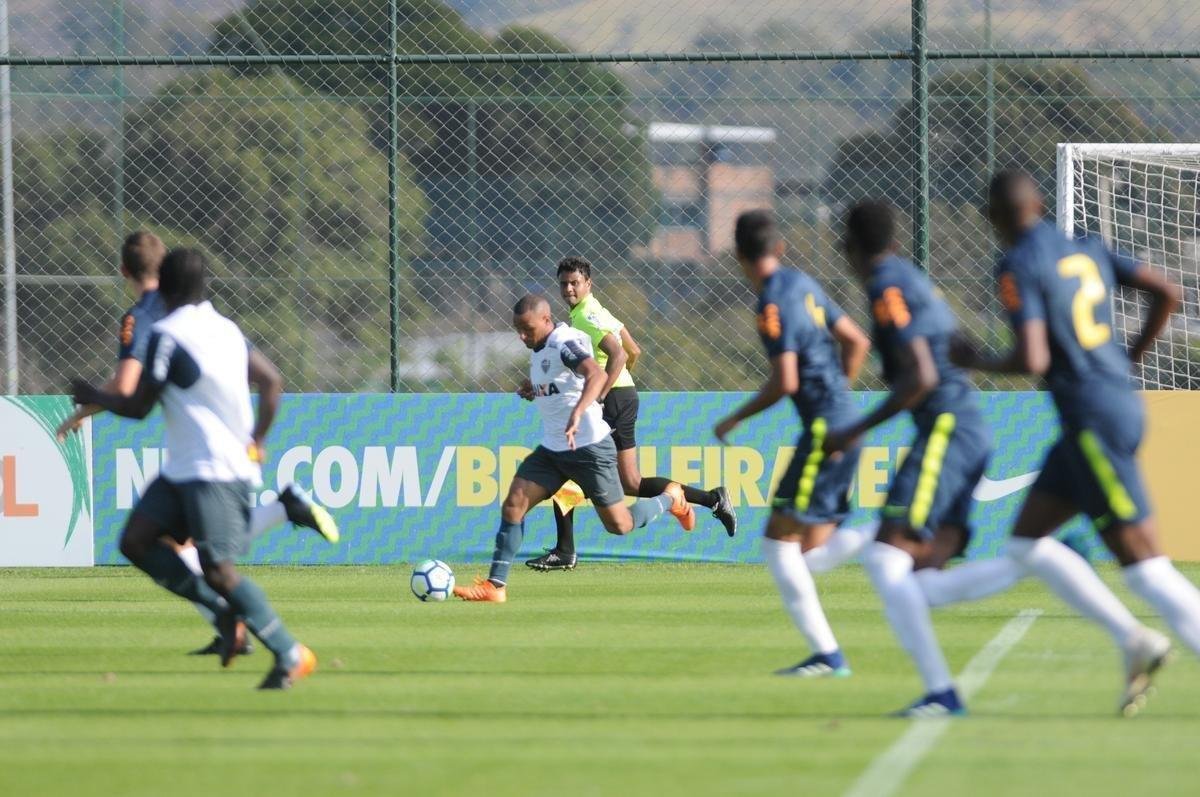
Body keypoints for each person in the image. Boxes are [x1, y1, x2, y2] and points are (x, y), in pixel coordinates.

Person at [953, 170, 1198, 716]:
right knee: (1026, 545)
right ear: (1040, 205)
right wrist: (1128, 357)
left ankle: (1145, 637)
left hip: (1092, 419)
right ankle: (1134, 640)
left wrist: (974, 361)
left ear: (992, 218)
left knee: (1146, 567)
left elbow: (1034, 359)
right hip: (1105, 409)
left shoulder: (1017, 264)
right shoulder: (1087, 249)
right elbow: (1169, 292)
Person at [58, 231, 337, 657]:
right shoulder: (225, 327)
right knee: (152, 543)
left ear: (127, 273)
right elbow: (272, 380)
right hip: (195, 463)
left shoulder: (152, 325)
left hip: (208, 463)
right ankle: (230, 617)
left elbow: (134, 399)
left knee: (216, 562)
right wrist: (257, 438)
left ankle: (280, 644)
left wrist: (91, 398)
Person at [826, 200, 1025, 716]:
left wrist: (854, 429)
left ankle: (942, 691)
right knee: (919, 579)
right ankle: (1041, 563)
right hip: (964, 426)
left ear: (849, 245)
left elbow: (923, 376)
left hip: (945, 428)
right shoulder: (912, 279)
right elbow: (950, 347)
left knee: (886, 554)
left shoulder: (887, 287)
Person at [454, 295, 704, 602]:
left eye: (527, 329)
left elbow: (595, 374)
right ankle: (495, 586)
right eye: (517, 329)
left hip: (589, 448)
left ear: (546, 321)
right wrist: (534, 388)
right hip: (553, 451)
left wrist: (578, 411)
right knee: (514, 504)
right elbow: (559, 381)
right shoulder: (540, 346)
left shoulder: (564, 342)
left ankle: (671, 499)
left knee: (620, 525)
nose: (521, 336)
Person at [713, 210, 876, 677]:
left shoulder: (770, 304)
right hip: (843, 422)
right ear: (779, 248)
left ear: (739, 256)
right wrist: (839, 395)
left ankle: (830, 654)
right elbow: (858, 342)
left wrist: (734, 418)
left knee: (779, 546)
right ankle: (829, 653)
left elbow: (784, 381)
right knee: (806, 552)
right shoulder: (803, 283)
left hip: (825, 429)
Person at [525, 256, 737, 571]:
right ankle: (712, 499)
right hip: (624, 397)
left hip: (611, 400)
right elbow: (634, 350)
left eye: (574, 283)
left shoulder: (585, 318)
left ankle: (565, 551)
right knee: (631, 482)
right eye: (564, 283)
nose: (568, 288)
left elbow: (620, 354)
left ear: (588, 284)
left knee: (565, 469)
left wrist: (601, 394)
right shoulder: (597, 311)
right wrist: (618, 386)